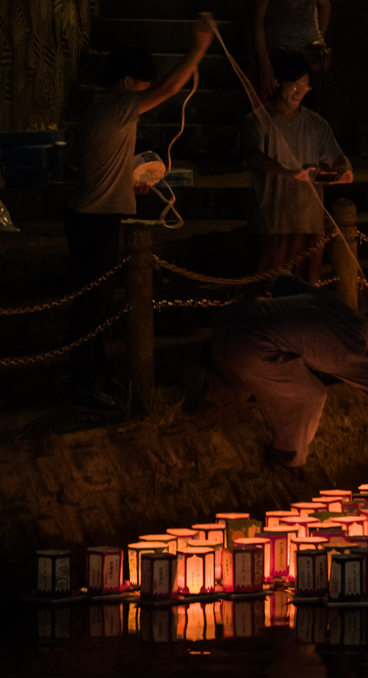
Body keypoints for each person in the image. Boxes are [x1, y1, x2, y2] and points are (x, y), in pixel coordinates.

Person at [64, 14, 216, 411]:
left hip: (89, 215)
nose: (145, 97)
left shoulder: (102, 112)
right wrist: (199, 45)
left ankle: (95, 374)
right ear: (130, 82)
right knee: (91, 305)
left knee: (95, 303)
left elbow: (86, 162)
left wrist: (125, 182)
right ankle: (82, 383)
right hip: (95, 219)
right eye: (142, 87)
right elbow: (170, 87)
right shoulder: (118, 105)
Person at [189, 272, 368, 473]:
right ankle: (286, 460)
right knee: (311, 395)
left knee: (238, 386)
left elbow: (281, 281)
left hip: (231, 322)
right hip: (251, 348)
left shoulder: (336, 306)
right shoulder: (354, 347)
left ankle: (194, 382)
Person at [243, 50, 353, 286]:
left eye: (304, 87)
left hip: (309, 223)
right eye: (294, 86)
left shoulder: (315, 123)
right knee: (267, 292)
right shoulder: (258, 120)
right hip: (272, 223)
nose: (299, 92)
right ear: (278, 83)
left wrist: (344, 170)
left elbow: (338, 157)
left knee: (306, 292)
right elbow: (253, 157)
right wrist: (291, 172)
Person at [251, 0, 332, 104]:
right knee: (275, 100)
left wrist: (319, 40)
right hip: (278, 47)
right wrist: (265, 64)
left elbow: (325, 5)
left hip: (308, 50)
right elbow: (257, 20)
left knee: (304, 98)